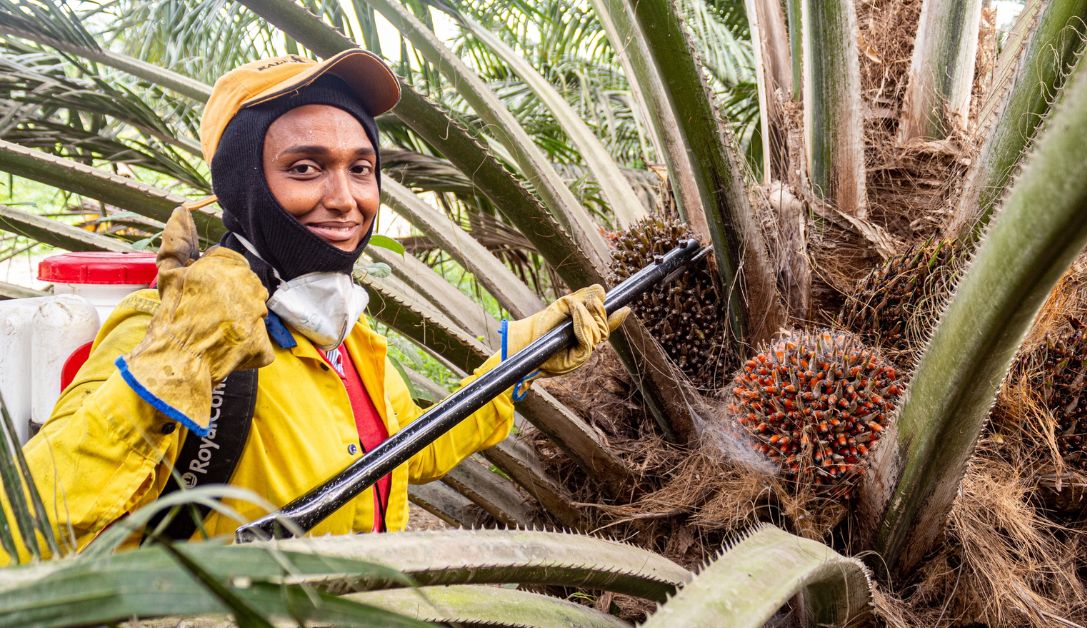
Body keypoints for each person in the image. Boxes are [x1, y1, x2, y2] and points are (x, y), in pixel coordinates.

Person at [6, 49, 625, 558]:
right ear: (245, 185)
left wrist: (517, 363)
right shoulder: (166, 329)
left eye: (362, 169)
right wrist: (176, 357)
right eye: (305, 168)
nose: (345, 198)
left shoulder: (347, 337)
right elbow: (23, 534)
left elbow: (409, 450)